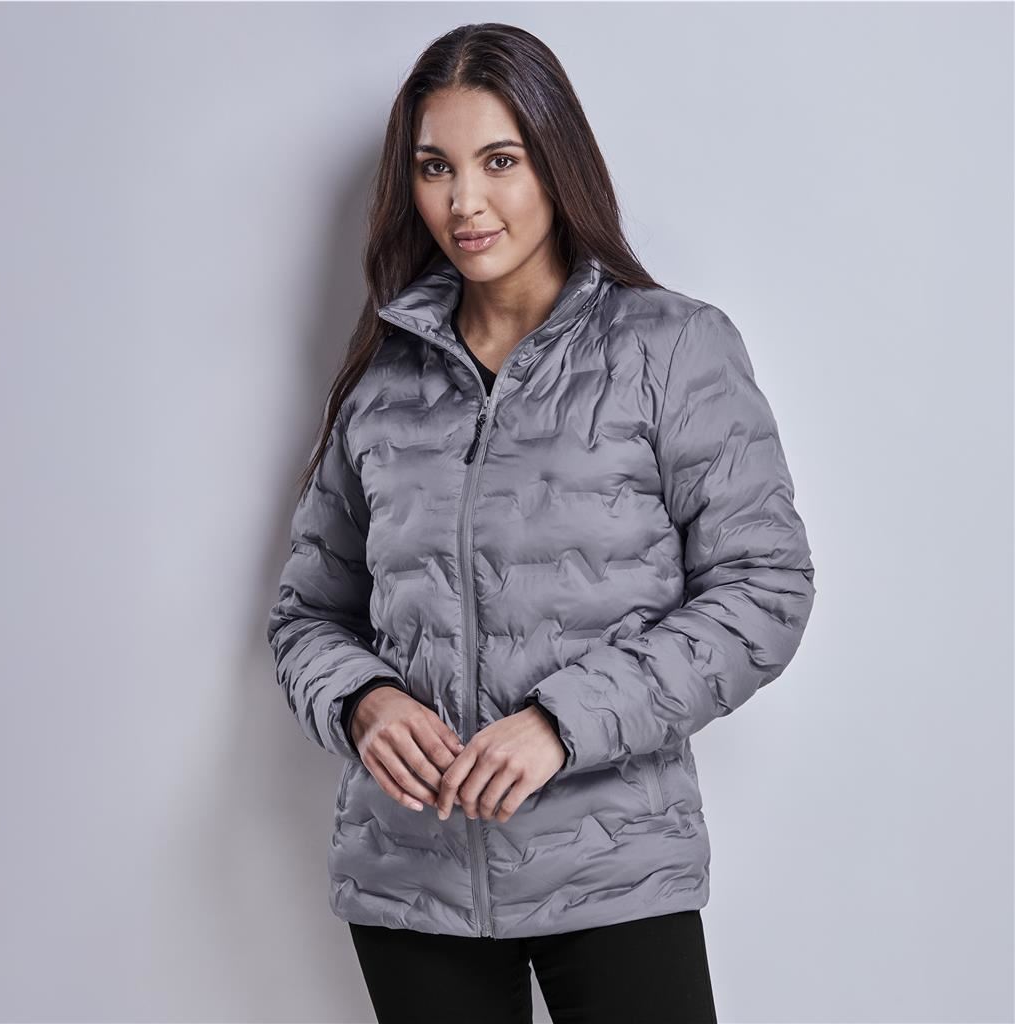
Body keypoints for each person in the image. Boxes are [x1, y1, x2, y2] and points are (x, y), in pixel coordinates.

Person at [266, 21, 816, 1024]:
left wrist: (564, 723)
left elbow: (763, 590)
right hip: (410, 880)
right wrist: (361, 702)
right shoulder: (383, 381)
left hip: (614, 867)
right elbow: (308, 613)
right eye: (435, 167)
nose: (463, 203)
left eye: (499, 161)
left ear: (556, 162)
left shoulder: (671, 348)